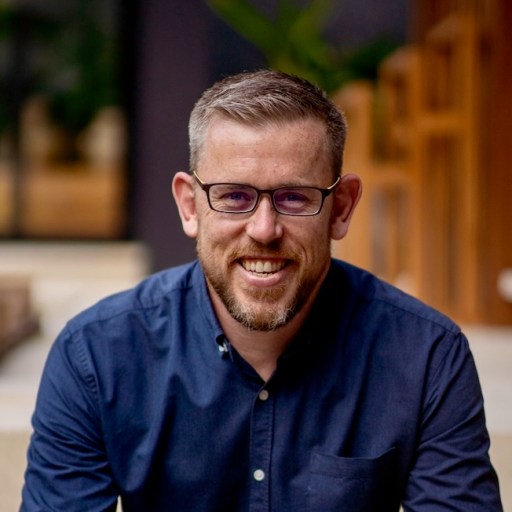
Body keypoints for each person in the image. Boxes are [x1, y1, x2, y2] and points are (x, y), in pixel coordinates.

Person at [20, 69, 502, 511]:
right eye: (234, 197)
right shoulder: (97, 357)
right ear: (190, 206)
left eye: (295, 197)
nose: (264, 229)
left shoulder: (427, 357)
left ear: (341, 208)